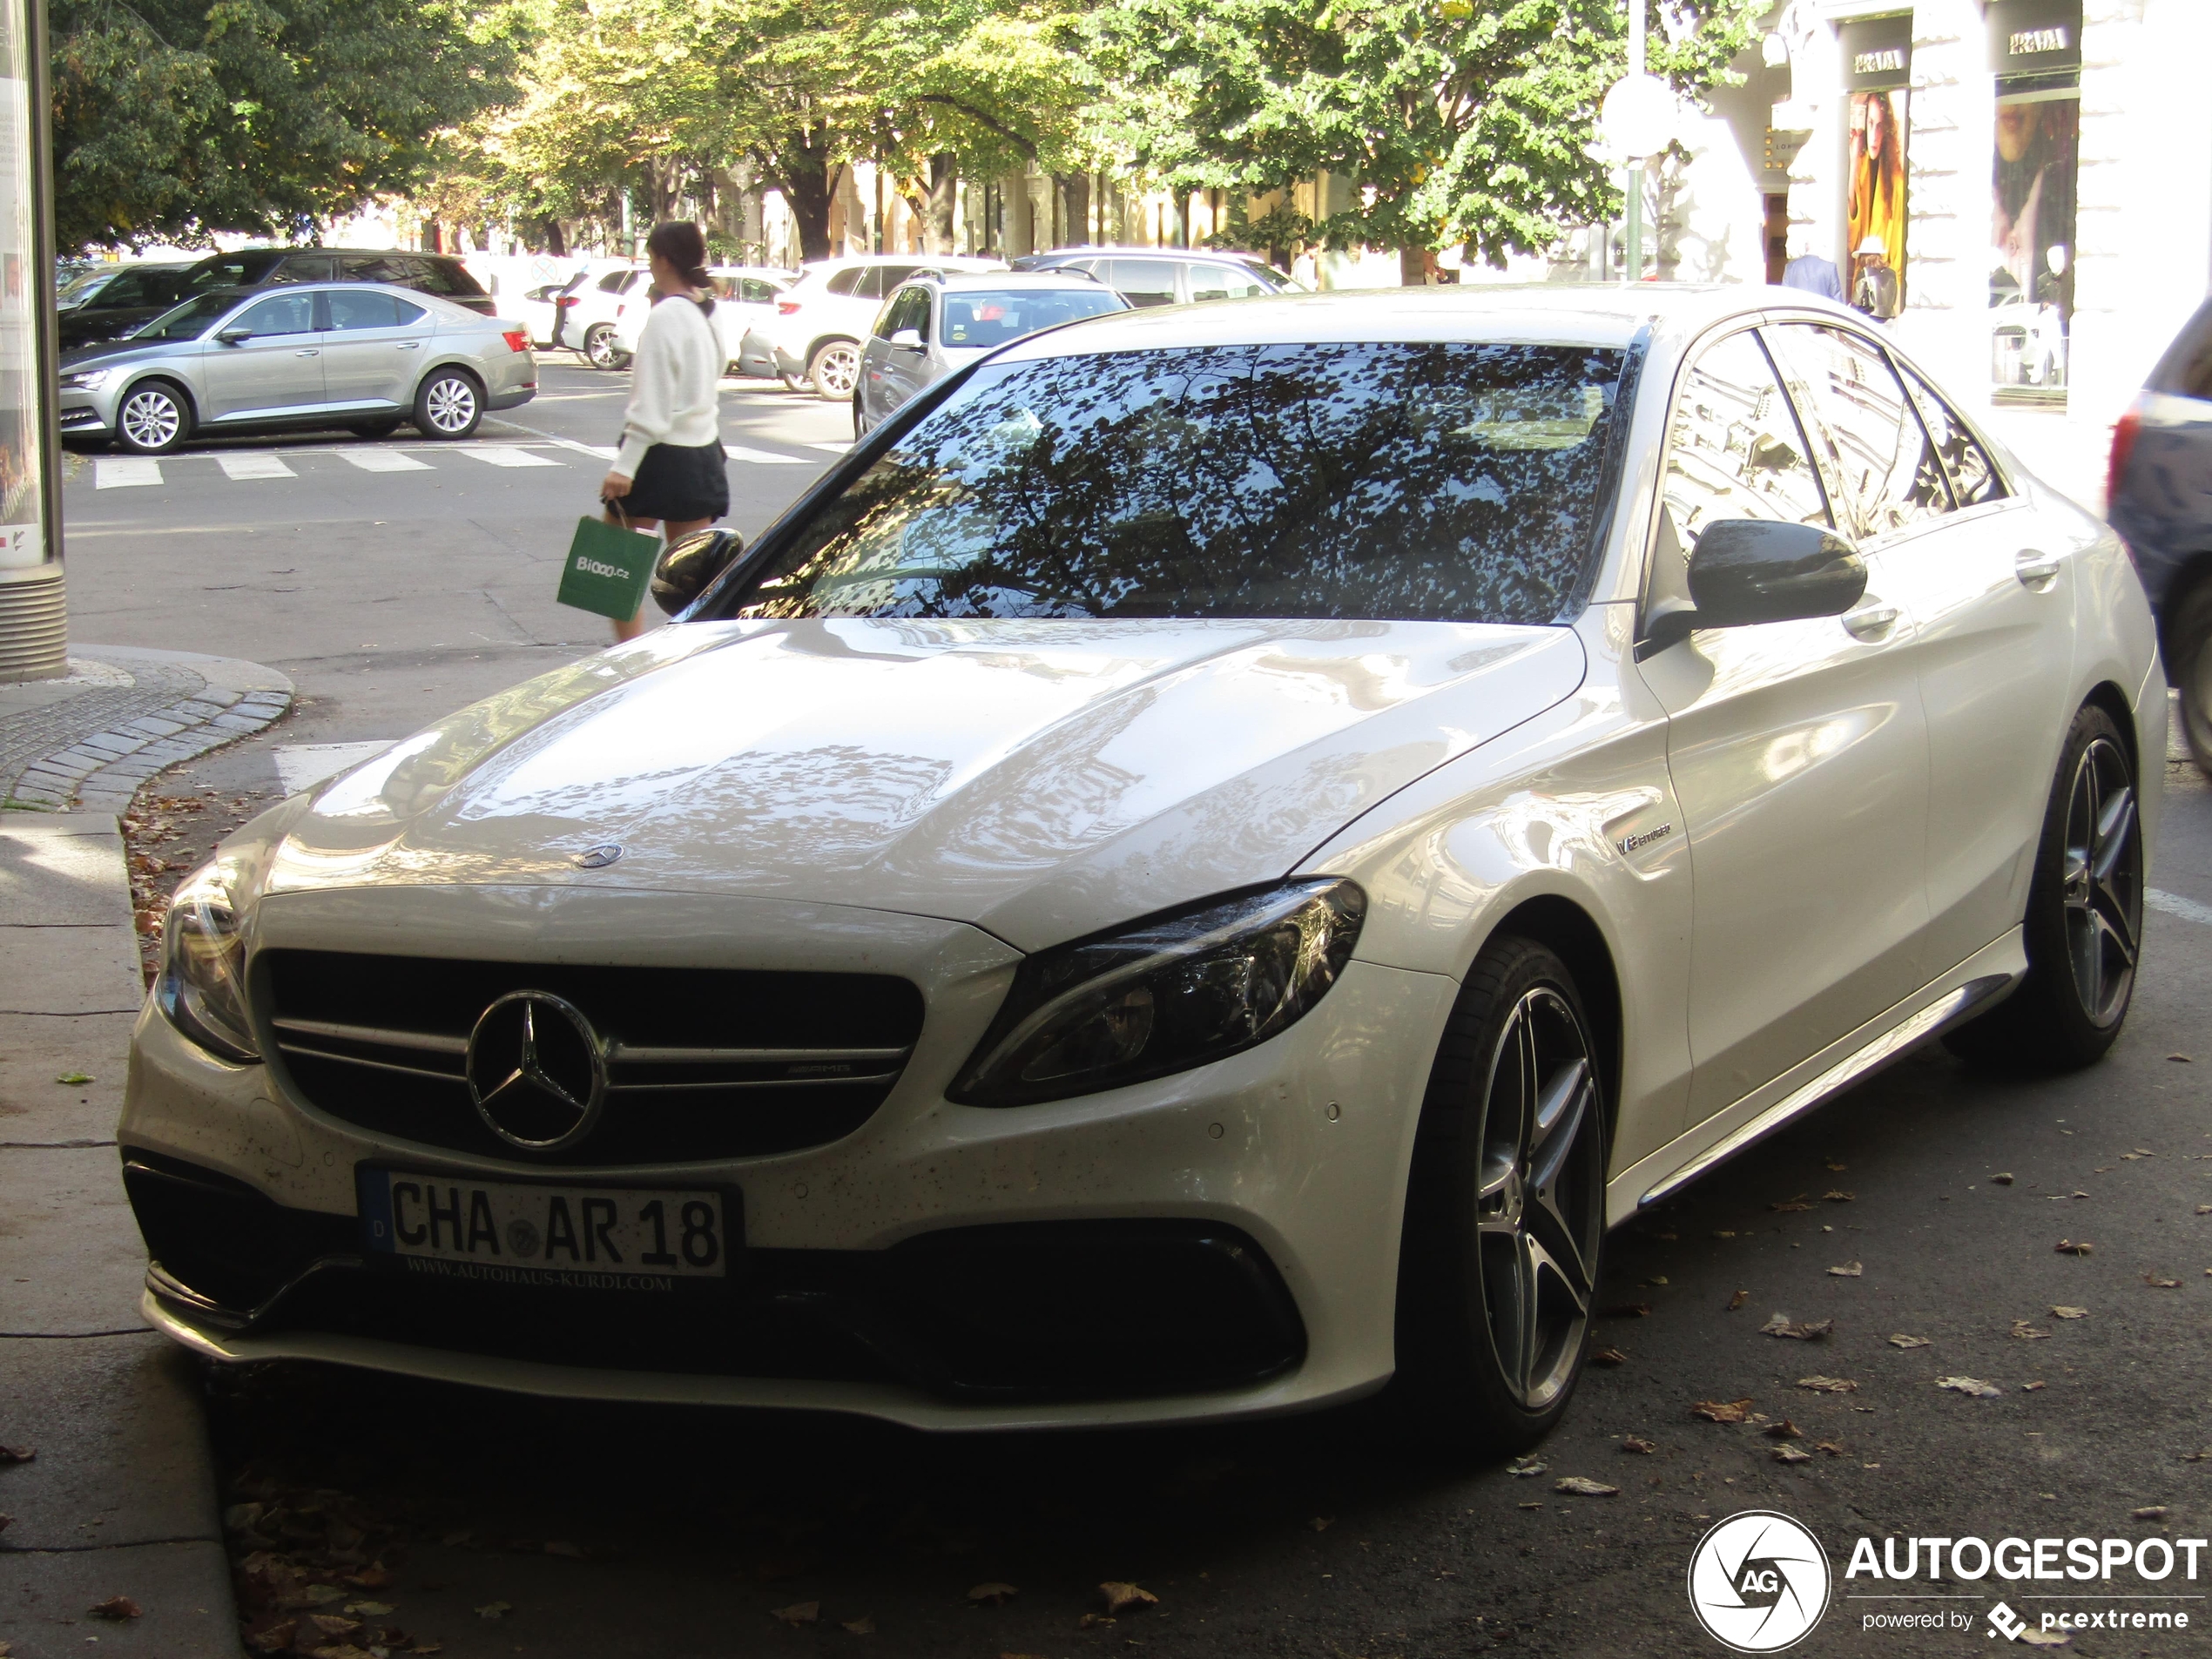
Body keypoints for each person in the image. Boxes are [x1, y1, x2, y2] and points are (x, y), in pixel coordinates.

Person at [600, 220, 729, 641]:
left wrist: (625, 464)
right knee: (693, 583)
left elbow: (652, 402)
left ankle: (630, 658)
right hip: (702, 455)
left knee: (614, 569)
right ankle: (691, 656)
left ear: (663, 259)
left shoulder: (665, 316)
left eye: (651, 257)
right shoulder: (707, 313)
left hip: (658, 456)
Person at [1780, 232, 1844, 302]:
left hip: (1797, 311)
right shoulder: (1830, 268)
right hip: (1821, 312)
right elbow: (1837, 299)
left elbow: (1785, 295)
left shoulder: (1791, 267)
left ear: (1806, 247)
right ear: (1819, 247)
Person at [1851, 235, 1900, 321]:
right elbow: (1893, 298)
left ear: (1864, 257)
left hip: (1869, 317)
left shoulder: (1864, 273)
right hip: (1889, 317)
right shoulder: (1892, 273)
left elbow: (1856, 300)